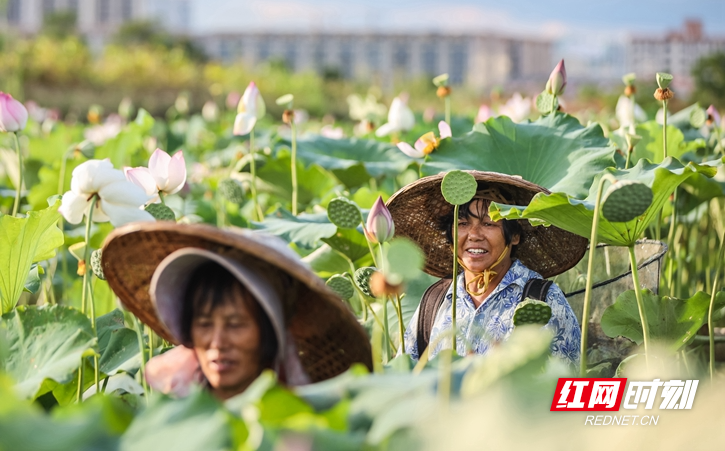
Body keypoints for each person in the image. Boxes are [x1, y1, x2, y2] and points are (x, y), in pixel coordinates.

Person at [101, 222, 373, 399]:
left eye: (235, 324)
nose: (218, 343)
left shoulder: (301, 426)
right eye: (205, 324)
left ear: (268, 332)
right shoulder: (168, 424)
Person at [385, 171, 588, 365]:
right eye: (462, 223)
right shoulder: (434, 301)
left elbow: (564, 388)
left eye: (489, 224)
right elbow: (405, 378)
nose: (474, 235)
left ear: (515, 236)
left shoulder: (543, 301)